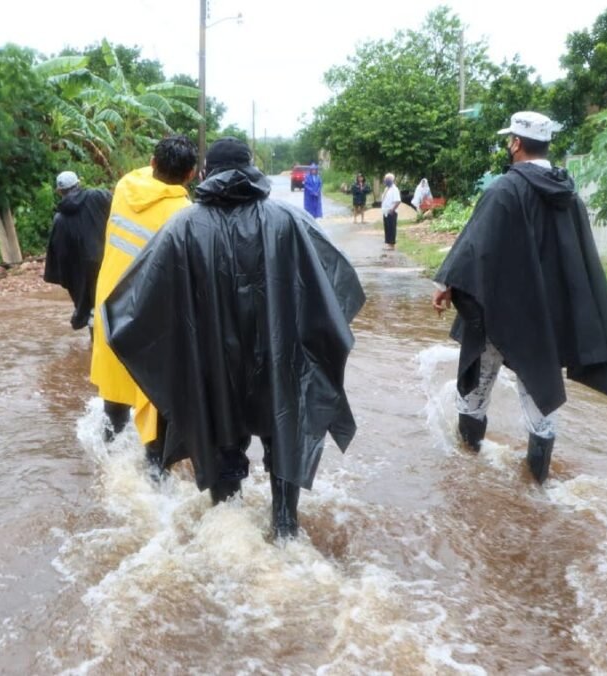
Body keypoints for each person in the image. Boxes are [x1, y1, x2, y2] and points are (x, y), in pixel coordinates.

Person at [103, 138, 366, 539]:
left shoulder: (182, 227)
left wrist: (171, 363)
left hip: (212, 365)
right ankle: (284, 528)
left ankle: (231, 538)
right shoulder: (287, 221)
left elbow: (133, 309)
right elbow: (338, 285)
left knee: (221, 440)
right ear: (251, 170)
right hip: (278, 359)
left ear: (206, 174)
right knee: (283, 432)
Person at [432, 111, 607, 483]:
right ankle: (538, 486)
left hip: (500, 313)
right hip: (545, 317)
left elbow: (476, 247)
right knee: (539, 395)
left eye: (510, 140)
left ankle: (468, 473)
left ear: (516, 143)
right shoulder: (567, 194)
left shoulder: (503, 190)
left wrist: (447, 284)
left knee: (477, 388)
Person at [90, 135, 197, 459]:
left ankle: (106, 460)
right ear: (191, 174)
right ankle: (153, 477)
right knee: (154, 401)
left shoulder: (125, 186)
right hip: (149, 319)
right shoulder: (186, 214)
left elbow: (149, 174)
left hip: (110, 308)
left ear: (152, 163)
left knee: (115, 395)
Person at [43, 171, 112, 334]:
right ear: (78, 184)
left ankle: (94, 346)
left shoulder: (59, 219)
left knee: (90, 310)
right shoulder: (98, 196)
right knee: (110, 305)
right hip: (108, 262)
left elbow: (60, 254)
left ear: (59, 191)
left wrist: (65, 278)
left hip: (80, 274)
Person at [380, 173, 400, 250]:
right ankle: (388, 243)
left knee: (392, 227)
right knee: (387, 227)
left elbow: (398, 201)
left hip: (392, 211)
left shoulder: (395, 189)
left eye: (387, 179)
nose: (385, 180)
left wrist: (393, 209)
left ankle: (392, 244)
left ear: (391, 180)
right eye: (385, 179)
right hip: (385, 211)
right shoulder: (386, 189)